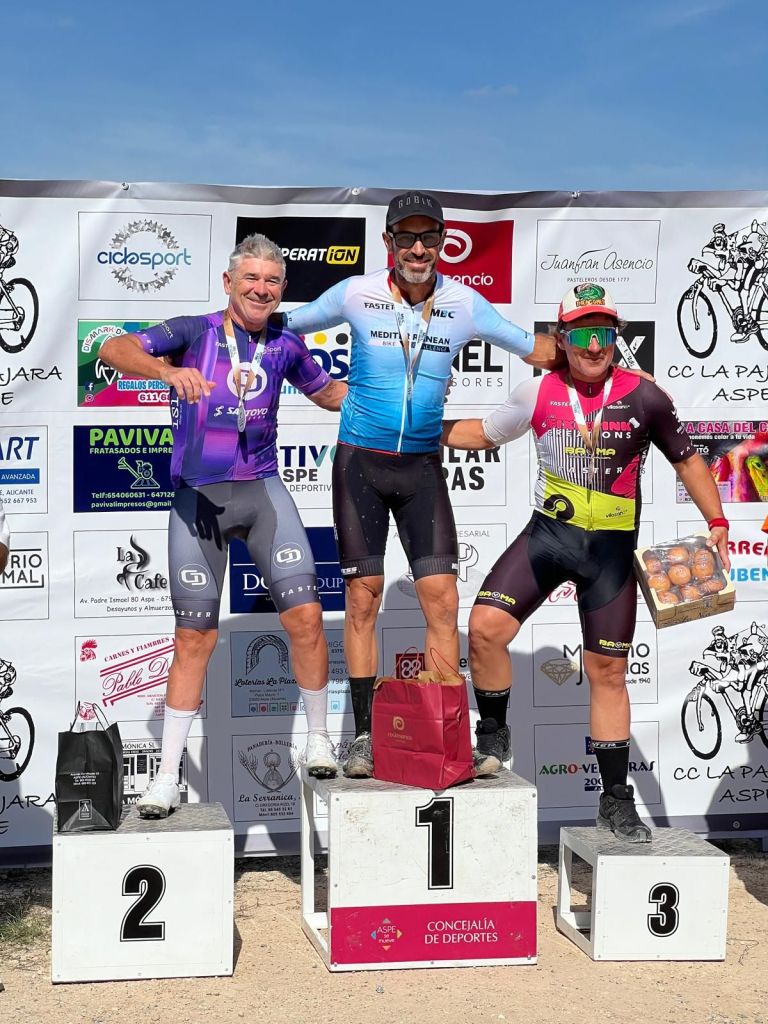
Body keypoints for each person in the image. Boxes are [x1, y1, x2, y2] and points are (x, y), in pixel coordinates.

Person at [283, 190, 561, 777]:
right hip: (360, 463)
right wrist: (226, 334)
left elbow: (534, 348)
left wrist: (602, 357)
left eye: (429, 237)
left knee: (443, 599)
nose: (417, 248)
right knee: (363, 598)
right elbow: (283, 325)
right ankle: (363, 737)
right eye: (406, 237)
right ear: (388, 241)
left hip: (421, 468)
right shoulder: (355, 293)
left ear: (442, 244)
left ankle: (446, 731)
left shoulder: (465, 304)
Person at [441, 282, 731, 842]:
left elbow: (688, 460)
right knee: (485, 629)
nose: (593, 346)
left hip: (611, 555)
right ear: (562, 339)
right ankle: (494, 734)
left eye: (603, 333)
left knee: (609, 673)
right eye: (581, 335)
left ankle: (615, 800)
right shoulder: (536, 391)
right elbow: (483, 434)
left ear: (615, 337)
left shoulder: (646, 396)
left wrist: (716, 520)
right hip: (550, 536)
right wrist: (416, 426)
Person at [99, 234, 347, 818]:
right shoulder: (195, 332)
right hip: (198, 500)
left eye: (272, 281)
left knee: (307, 618)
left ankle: (317, 740)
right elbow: (112, 348)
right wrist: (166, 372)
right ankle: (166, 779)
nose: (261, 289)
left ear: (282, 289)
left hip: (262, 493)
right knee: (194, 638)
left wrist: (399, 394)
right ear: (228, 283)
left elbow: (331, 395)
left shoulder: (285, 343)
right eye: (250, 279)